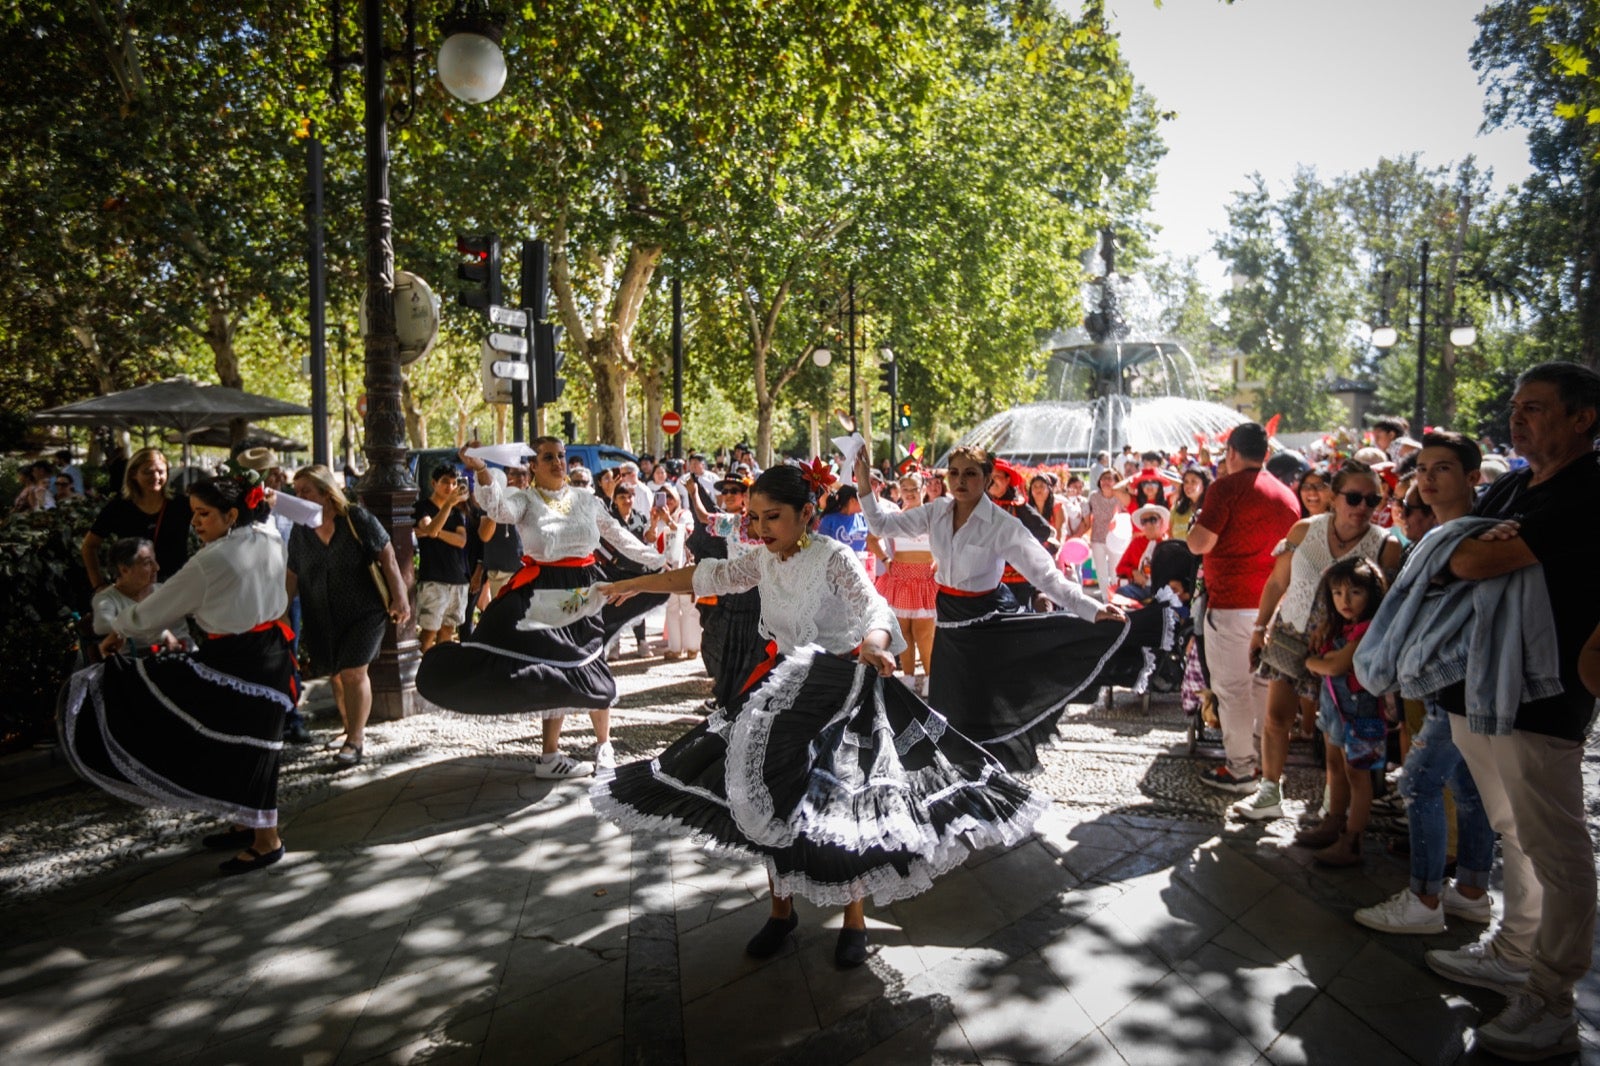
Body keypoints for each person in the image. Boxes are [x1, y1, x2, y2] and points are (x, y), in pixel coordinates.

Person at [592, 465, 1049, 968]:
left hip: (841, 693)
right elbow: (709, 575)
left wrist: (875, 645)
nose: (761, 528)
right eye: (754, 518)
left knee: (837, 810)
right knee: (764, 794)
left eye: (773, 517)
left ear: (806, 514)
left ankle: (853, 919)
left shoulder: (833, 558)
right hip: (782, 690)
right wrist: (635, 583)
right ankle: (780, 911)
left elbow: (875, 607)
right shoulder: (763, 559)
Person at [1405, 363, 1600, 1061]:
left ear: (1583, 418)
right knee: (1515, 830)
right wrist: (1468, 546)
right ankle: (1516, 950)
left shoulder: (1587, 490)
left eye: (1537, 408)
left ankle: (1552, 1001)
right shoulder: (1519, 482)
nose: (1518, 419)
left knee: (1558, 848)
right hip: (1482, 685)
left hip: (1546, 696)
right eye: (1516, 407)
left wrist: (1475, 549)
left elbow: (1472, 561)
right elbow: (1456, 544)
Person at [858, 445, 1172, 774]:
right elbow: (880, 524)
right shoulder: (935, 511)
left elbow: (1047, 576)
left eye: (970, 474)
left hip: (986, 630)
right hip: (948, 631)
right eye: (954, 473)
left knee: (982, 717)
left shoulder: (1002, 524)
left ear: (987, 478)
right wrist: (864, 482)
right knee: (946, 716)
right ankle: (956, 793)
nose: (960, 481)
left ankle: (984, 788)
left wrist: (1093, 609)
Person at [59, 471, 295, 876]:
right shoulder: (268, 536)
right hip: (271, 650)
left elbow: (157, 607)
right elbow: (276, 516)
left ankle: (266, 840)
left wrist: (120, 629)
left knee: (249, 744)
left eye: (203, 514)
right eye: (194, 514)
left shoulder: (212, 559)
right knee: (246, 742)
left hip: (236, 656)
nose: (195, 522)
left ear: (231, 513)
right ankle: (246, 823)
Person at [416, 438, 667, 780]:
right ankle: (550, 757)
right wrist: (481, 471)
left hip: (587, 590)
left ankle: (603, 745)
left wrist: (661, 562)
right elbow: (498, 509)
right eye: (548, 457)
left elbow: (620, 539)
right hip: (542, 595)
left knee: (593, 661)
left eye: (561, 456)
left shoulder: (586, 500)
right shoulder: (525, 500)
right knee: (554, 669)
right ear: (532, 465)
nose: (557, 463)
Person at [1354, 430, 1495, 936]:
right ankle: (1473, 892)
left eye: (1443, 469)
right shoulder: (1441, 535)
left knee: (1417, 782)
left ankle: (1424, 899)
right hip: (1444, 681)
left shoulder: (1481, 536)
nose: (1429, 480)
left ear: (1473, 478)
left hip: (1462, 677)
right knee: (1467, 785)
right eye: (1423, 470)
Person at [1232, 461, 1401, 821]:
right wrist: (1260, 629)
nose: (1361, 507)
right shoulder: (1305, 530)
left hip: (1344, 647)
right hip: (1292, 632)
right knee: (1276, 718)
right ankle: (1268, 794)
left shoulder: (1385, 545)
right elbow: (1278, 583)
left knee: (1334, 729)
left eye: (1372, 501)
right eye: (1353, 497)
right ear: (1333, 497)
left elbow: (1383, 610)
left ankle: (1332, 805)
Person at [1183, 422, 1301, 793]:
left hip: (1232, 604)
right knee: (1263, 688)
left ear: (1232, 452)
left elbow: (1198, 544)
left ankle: (1240, 768)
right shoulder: (1286, 496)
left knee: (1233, 690)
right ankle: (1266, 768)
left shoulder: (1225, 488)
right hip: (1274, 607)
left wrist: (1193, 526)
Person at [287, 465, 410, 767]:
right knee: (337, 674)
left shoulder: (355, 518)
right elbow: (291, 573)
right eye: (296, 491)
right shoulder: (300, 529)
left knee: (354, 671)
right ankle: (347, 728)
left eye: (306, 491)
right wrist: (281, 611)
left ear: (326, 493)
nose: (298, 496)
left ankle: (356, 740)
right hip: (321, 613)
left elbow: (388, 555)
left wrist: (400, 597)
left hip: (363, 610)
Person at [1302, 556, 1387, 866]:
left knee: (1358, 774)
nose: (1345, 601)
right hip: (1334, 708)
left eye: (1354, 592)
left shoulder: (1366, 630)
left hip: (1360, 710)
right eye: (1337, 593)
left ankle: (1353, 839)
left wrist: (1312, 664)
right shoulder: (1341, 627)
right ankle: (1334, 822)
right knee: (1334, 765)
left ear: (1371, 594)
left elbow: (1337, 665)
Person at [687, 472, 767, 708]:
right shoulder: (733, 524)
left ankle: (753, 700)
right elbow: (703, 517)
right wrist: (693, 492)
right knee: (729, 646)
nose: (731, 495)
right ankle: (729, 699)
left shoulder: (773, 525)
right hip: (734, 595)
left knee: (757, 650)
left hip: (763, 598)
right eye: (727, 491)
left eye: (739, 492)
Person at [82, 448, 193, 592]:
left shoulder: (181, 505)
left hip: (175, 587)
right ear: (133, 474)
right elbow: (89, 546)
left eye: (161, 471)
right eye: (148, 472)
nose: (155, 476)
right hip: (134, 590)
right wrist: (98, 584)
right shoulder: (118, 507)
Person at [877, 470, 938, 692]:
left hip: (925, 578)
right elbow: (872, 538)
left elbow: (950, 540)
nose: (910, 493)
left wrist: (939, 560)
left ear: (923, 488)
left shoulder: (933, 517)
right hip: (900, 577)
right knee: (903, 633)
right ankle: (908, 679)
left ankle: (931, 679)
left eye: (914, 488)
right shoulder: (895, 517)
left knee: (924, 633)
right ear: (899, 492)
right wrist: (885, 559)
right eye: (906, 489)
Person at [90, 537, 191, 652]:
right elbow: (103, 627)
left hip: (188, 656)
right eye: (147, 563)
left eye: (155, 561)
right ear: (124, 570)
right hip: (141, 662)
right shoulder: (107, 599)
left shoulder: (164, 590)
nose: (156, 568)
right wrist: (161, 634)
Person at [413, 465, 472, 652]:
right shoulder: (422, 507)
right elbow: (429, 528)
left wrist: (435, 532)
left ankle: (441, 672)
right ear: (434, 483)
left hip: (458, 579)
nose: (450, 487)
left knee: (448, 631)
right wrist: (433, 530)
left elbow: (461, 540)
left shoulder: (457, 512)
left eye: (454, 483)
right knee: (429, 632)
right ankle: (421, 673)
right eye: (445, 482)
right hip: (433, 578)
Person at [1086, 470, 1122, 601]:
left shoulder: (1120, 496)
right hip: (1097, 539)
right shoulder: (1093, 496)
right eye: (1103, 479)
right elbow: (1086, 516)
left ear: (1116, 482)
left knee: (1115, 572)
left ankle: (1116, 598)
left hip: (1115, 540)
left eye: (1109, 479)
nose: (1105, 482)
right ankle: (1106, 599)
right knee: (1101, 572)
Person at [1169, 469, 1210, 542]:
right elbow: (1170, 536)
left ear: (1204, 484)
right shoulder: (1176, 508)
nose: (1188, 486)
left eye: (1193, 482)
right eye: (1186, 482)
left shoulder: (1211, 508)